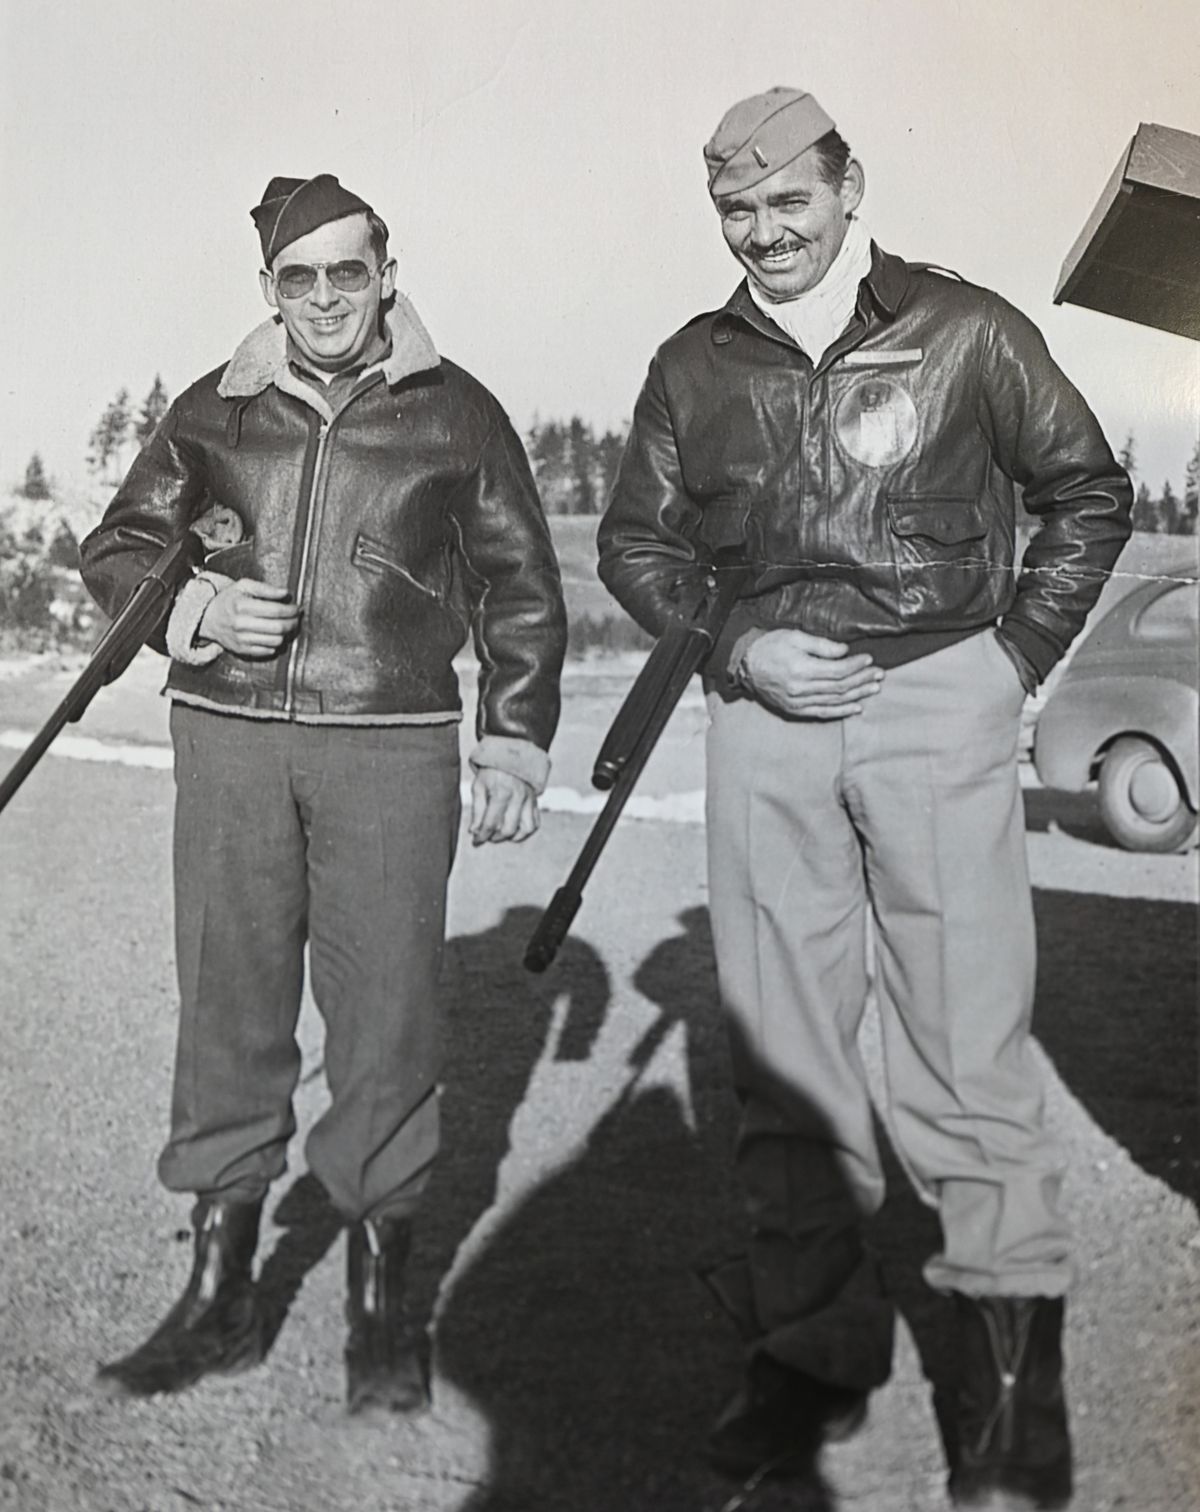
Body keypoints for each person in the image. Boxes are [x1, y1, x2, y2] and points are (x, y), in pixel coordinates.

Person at [598, 89, 1131, 1507]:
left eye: (790, 204)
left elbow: (1087, 490)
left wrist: (1006, 663)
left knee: (967, 1051)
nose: (767, 234)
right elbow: (635, 544)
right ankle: (812, 1353)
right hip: (764, 721)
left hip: (938, 704)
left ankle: (1014, 1394)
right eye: (738, 212)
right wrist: (734, 643)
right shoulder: (692, 365)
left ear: (848, 189)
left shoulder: (967, 331)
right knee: (785, 1054)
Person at [79, 174, 566, 1414]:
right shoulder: (215, 411)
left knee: (389, 1021)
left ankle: (380, 1308)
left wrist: (512, 739)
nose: (326, 299)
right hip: (231, 742)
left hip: (392, 743)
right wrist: (194, 608)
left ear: (387, 275)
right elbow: (120, 545)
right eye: (300, 278)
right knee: (229, 1003)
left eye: (349, 272)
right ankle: (221, 1294)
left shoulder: (455, 414)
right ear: (269, 293)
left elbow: (520, 586)